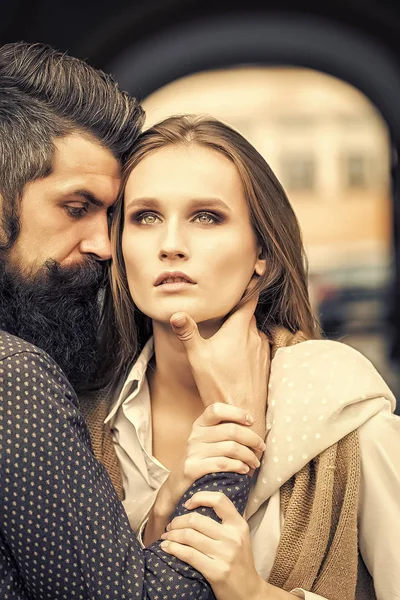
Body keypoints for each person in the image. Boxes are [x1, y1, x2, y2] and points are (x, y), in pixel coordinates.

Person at [84, 115, 399, 600]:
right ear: (119, 246)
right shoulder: (83, 419)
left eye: (206, 217)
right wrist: (163, 512)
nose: (171, 246)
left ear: (263, 254)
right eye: (145, 217)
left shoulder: (344, 409)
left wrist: (254, 593)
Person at [0, 43, 270, 599]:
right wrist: (233, 436)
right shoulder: (14, 376)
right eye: (76, 207)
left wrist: (168, 500)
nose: (105, 244)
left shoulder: (337, 396)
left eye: (115, 216)